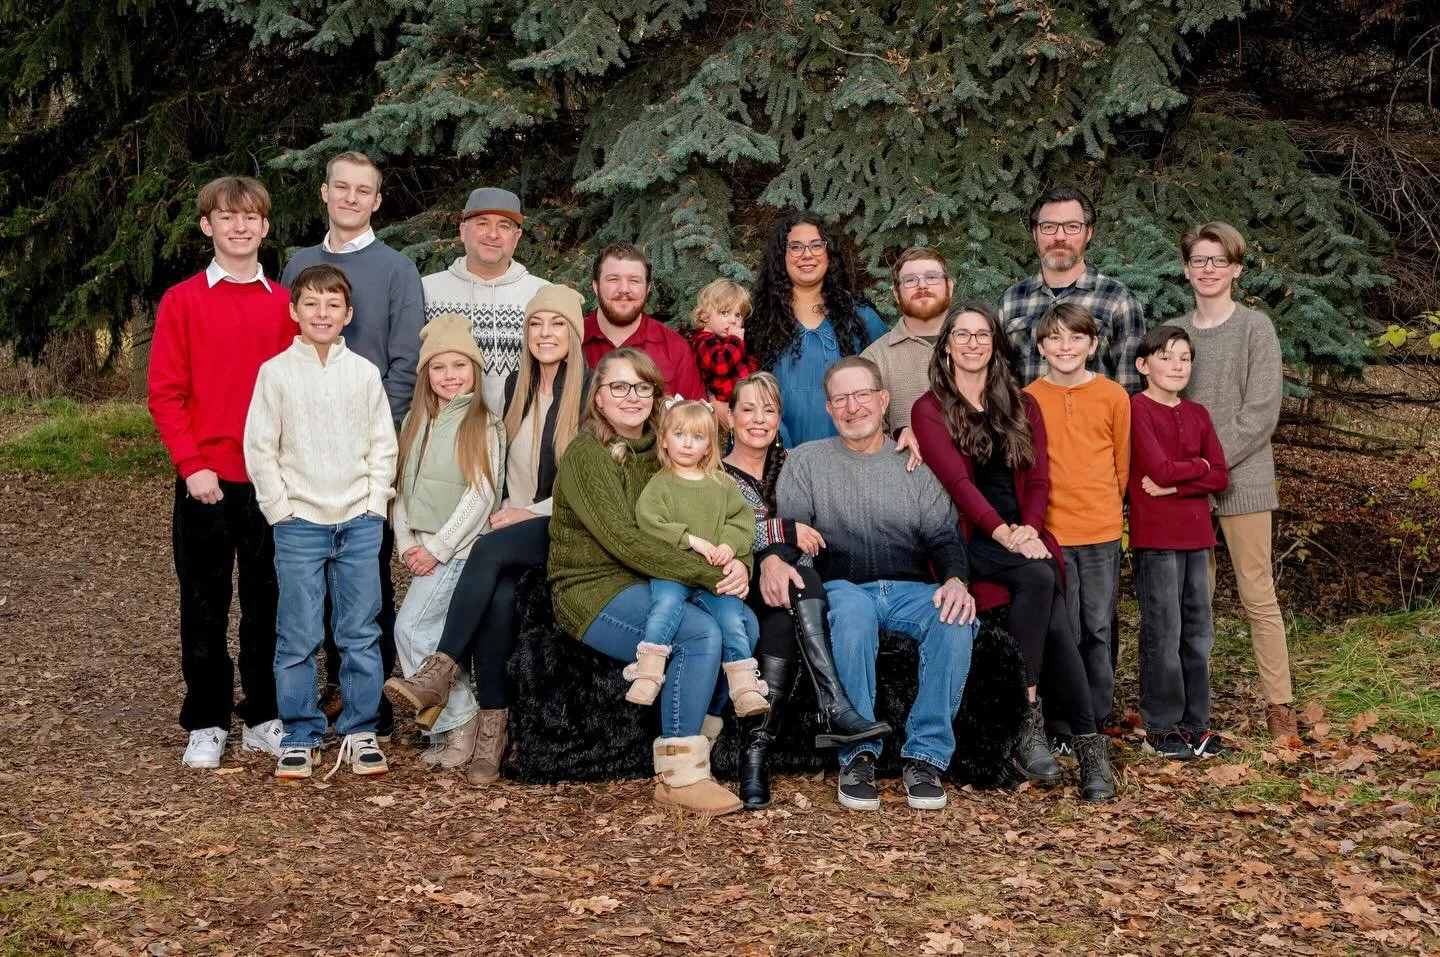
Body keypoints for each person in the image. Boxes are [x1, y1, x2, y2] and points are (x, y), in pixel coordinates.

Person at [384, 285, 589, 786]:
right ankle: (492, 725)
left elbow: (586, 484)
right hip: (510, 525)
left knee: (488, 549)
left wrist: (524, 513)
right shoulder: (515, 385)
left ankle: (442, 666)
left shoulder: (588, 395)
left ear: (575, 334)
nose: (545, 334)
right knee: (497, 598)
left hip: (562, 522)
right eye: (536, 324)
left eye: (557, 324)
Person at [911, 302, 1115, 802]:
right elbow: (959, 485)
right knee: (1042, 580)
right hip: (967, 541)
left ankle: (1067, 739)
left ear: (997, 343)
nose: (974, 343)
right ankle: (1055, 731)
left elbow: (1040, 477)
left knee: (1051, 602)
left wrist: (1030, 529)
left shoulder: (1022, 404)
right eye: (963, 334)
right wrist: (1007, 534)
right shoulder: (929, 408)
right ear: (947, 345)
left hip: (1021, 534)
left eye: (983, 334)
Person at [549, 348, 750, 815]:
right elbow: (624, 541)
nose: (632, 396)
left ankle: (698, 738)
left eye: (643, 387)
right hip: (595, 587)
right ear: (597, 398)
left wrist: (739, 563)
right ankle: (679, 777)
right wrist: (711, 574)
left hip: (660, 580)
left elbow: (717, 518)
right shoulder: (587, 454)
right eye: (618, 386)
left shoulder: (664, 448)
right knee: (699, 634)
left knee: (748, 628)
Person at [776, 356, 978, 812]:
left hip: (910, 588)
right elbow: (791, 534)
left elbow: (944, 536)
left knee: (954, 615)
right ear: (828, 409)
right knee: (850, 612)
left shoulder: (914, 463)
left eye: (862, 395)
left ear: (883, 400)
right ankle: (858, 753)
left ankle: (925, 757)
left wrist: (955, 580)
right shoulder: (807, 462)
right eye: (841, 399)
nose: (852, 407)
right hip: (842, 584)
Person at [148, 175, 294, 769]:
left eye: (251, 217)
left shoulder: (286, 304)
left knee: (270, 603)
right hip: (206, 481)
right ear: (207, 226)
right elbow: (165, 394)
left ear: (264, 227)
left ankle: (262, 714)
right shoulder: (182, 301)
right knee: (205, 601)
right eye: (226, 217)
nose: (240, 227)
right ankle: (206, 718)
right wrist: (192, 465)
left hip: (271, 484)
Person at [282, 150, 425, 738]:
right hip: (303, 454)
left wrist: (376, 439)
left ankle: (366, 697)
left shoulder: (396, 269)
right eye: (340, 187)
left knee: (364, 575)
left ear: (376, 200)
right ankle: (310, 689)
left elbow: (405, 361)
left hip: (368, 451)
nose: (349, 198)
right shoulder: (299, 264)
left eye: (361, 191)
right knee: (302, 576)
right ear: (324, 192)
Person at [244, 265, 399, 779]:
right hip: (300, 522)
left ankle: (359, 731)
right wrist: (278, 509)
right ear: (294, 311)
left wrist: (376, 501)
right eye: (311, 303)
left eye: (333, 305)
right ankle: (302, 732)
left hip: (358, 518)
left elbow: (383, 443)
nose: (322, 313)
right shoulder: (276, 372)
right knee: (297, 634)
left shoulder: (363, 373)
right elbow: (260, 447)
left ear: (348, 315)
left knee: (359, 631)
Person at [722, 372, 891, 811]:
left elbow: (819, 527)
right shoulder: (713, 473)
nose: (759, 419)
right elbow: (726, 532)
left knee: (784, 618)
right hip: (739, 582)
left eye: (770, 410)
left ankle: (754, 756)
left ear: (781, 417)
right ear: (730, 416)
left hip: (797, 587)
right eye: (748, 409)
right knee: (800, 580)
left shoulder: (799, 463)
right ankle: (835, 704)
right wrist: (783, 535)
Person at [1172, 222, 1297, 745]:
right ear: (1186, 268)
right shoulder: (1176, 332)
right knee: (1193, 600)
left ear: (1237, 269)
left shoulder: (1255, 328)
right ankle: (1193, 711)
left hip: (1242, 479)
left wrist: (1208, 462)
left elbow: (1261, 411)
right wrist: (1189, 470)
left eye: (1218, 261)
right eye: (1199, 260)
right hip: (1189, 486)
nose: (1208, 269)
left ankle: (1280, 707)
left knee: (1257, 594)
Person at [389, 314, 505, 773]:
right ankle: (445, 732)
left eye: (460, 365)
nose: (450, 375)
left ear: (475, 370)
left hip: (460, 552)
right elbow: (401, 492)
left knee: (411, 630)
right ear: (426, 375)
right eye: (439, 367)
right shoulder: (414, 424)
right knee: (428, 636)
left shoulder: (483, 424)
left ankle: (463, 721)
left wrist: (437, 548)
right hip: (424, 549)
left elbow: (481, 495)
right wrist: (407, 545)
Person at [1023, 302, 1130, 744]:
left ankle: (1097, 715)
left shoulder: (1113, 395)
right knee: (1061, 629)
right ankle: (1062, 722)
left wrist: (1108, 510)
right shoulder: (1029, 398)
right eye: (1055, 338)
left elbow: (1121, 464)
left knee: (1098, 627)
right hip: (1052, 534)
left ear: (1093, 343)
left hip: (1102, 531)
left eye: (1075, 338)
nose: (1065, 346)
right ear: (1041, 346)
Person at [1129, 325, 1230, 760]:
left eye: (1184, 358)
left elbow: (1220, 475)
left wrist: (1177, 485)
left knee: (1198, 631)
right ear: (1143, 365)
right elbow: (1158, 467)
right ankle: (1163, 726)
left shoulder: (1199, 414)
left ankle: (1197, 724)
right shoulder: (1136, 408)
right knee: (1163, 630)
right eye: (1166, 357)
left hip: (1196, 535)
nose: (1176, 366)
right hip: (1157, 538)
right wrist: (1198, 470)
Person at [630, 399, 767, 716]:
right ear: (664, 439)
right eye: (680, 434)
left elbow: (742, 523)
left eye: (698, 437)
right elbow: (648, 522)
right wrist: (691, 540)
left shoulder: (722, 485)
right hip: (671, 574)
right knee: (664, 606)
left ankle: (744, 687)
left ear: (709, 446)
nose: (688, 444)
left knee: (734, 619)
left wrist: (730, 547)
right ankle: (648, 672)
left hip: (713, 575)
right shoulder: (660, 484)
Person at [747, 210, 888, 446]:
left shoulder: (860, 317)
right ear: (782, 255)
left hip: (849, 454)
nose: (806, 254)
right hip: (773, 454)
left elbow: (888, 379)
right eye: (795, 247)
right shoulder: (758, 319)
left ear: (828, 253)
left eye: (816, 245)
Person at [998, 187, 1146, 394]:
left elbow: (1131, 391)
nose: (1060, 236)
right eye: (1048, 227)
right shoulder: (1011, 301)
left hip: (1094, 425)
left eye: (1072, 226)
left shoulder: (1118, 301)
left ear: (1089, 232)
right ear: (1034, 233)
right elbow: (1000, 385)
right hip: (1026, 425)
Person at [422, 186, 549, 414]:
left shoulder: (541, 295)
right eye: (482, 223)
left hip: (522, 432)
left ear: (516, 237)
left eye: (504, 226)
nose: (493, 234)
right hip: (447, 433)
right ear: (462, 231)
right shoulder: (427, 291)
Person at [581, 243, 705, 400]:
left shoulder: (675, 348)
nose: (624, 289)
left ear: (647, 288)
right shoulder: (573, 340)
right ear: (595, 286)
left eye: (634, 281)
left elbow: (695, 420)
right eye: (613, 279)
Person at [861, 246, 953, 443]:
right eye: (910, 280)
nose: (922, 286)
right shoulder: (874, 359)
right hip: (906, 471)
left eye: (932, 277)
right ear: (896, 293)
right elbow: (867, 438)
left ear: (950, 287)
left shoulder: (979, 347)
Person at [688, 278, 758, 430]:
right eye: (724, 313)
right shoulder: (704, 341)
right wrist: (735, 340)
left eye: (738, 315)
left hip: (745, 401)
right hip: (729, 404)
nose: (733, 320)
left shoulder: (726, 342)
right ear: (705, 315)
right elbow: (721, 365)